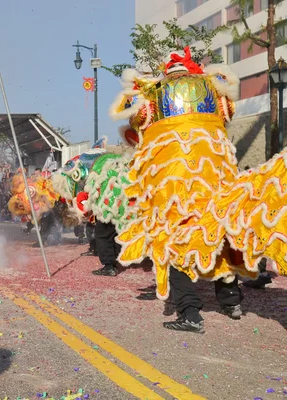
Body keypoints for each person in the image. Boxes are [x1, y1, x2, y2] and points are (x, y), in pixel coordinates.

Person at [109, 47, 287, 333]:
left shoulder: (154, 91)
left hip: (172, 182)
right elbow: (228, 113)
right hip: (215, 175)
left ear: (165, 68)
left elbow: (136, 122)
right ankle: (231, 302)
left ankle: (190, 313)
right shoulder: (211, 86)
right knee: (218, 231)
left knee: (174, 240)